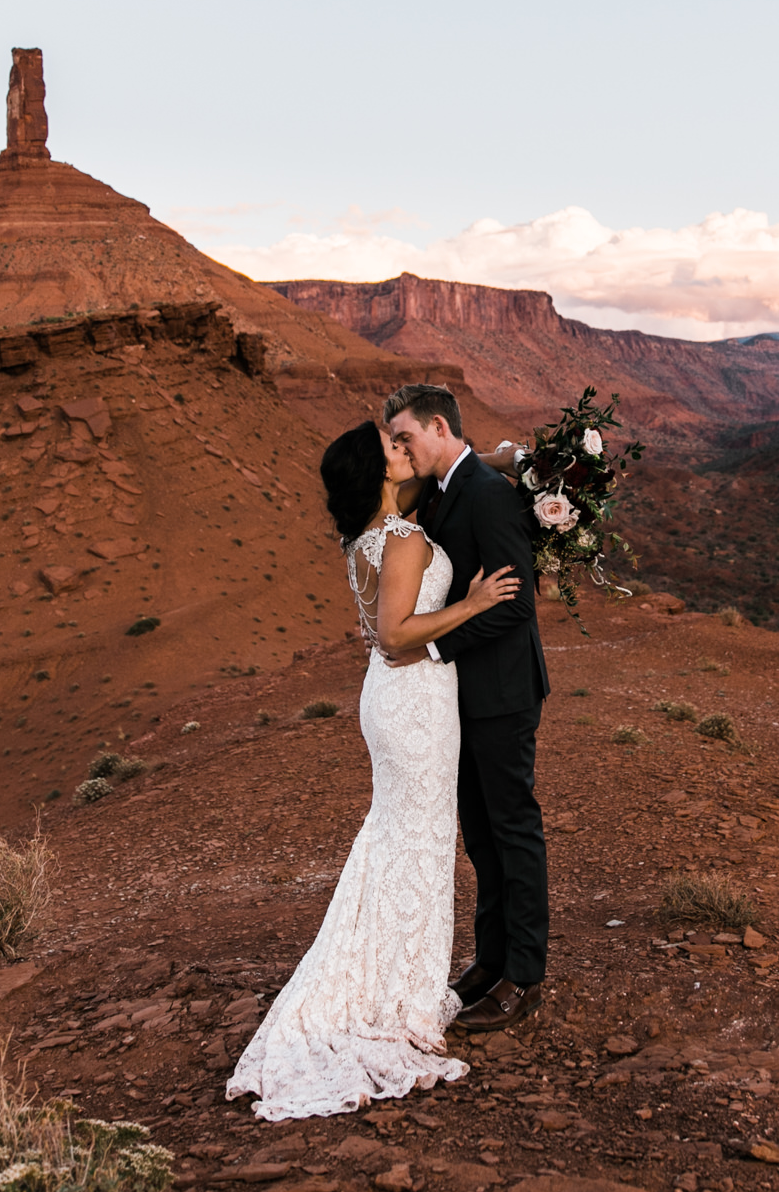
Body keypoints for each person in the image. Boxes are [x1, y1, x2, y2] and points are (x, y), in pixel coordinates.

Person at [224, 420, 521, 1121]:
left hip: (391, 698)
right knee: (415, 840)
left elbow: (380, 626)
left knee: (400, 837)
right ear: (378, 469)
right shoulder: (405, 540)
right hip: (415, 700)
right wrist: (472, 603)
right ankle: (396, 995)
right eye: (390, 446)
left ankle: (395, 977)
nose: (401, 449)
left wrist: (503, 460)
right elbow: (392, 634)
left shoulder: (366, 537)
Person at [382, 383, 553, 1034]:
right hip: (463, 697)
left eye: (407, 437)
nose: (402, 448)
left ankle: (525, 976)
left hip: (503, 694)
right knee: (480, 834)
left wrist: (433, 644)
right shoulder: (449, 487)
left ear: (436, 425)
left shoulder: (484, 493)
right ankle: (489, 960)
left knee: (513, 829)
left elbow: (514, 603)